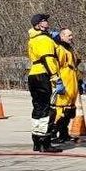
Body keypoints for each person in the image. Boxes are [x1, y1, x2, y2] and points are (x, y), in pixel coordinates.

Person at [27, 13, 62, 153]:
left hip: (33, 75)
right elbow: (48, 59)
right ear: (38, 25)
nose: (47, 23)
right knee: (47, 109)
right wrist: (55, 77)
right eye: (44, 21)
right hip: (43, 75)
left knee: (37, 108)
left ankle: (36, 140)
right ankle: (45, 143)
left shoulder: (33, 39)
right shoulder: (43, 40)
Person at [51, 28, 80, 143]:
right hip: (64, 83)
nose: (71, 37)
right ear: (62, 36)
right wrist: (57, 82)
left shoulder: (70, 50)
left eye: (71, 35)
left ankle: (64, 134)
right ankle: (53, 133)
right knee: (61, 110)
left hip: (72, 82)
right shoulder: (59, 49)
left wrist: (80, 81)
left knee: (70, 110)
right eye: (69, 35)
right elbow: (55, 67)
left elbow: (75, 67)